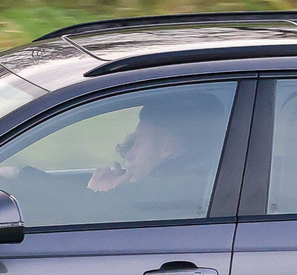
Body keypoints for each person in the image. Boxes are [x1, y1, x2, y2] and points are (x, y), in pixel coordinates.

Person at [83, 89, 229, 219]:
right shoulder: (196, 179)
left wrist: (99, 192)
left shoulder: (162, 193)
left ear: (166, 147)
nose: (129, 155)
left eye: (138, 143)